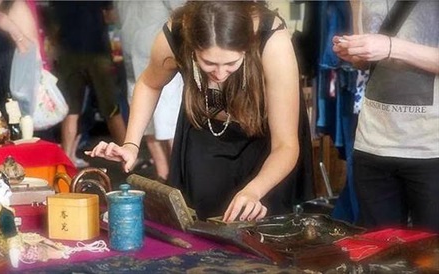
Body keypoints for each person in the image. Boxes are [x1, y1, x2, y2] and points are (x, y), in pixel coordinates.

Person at [88, 1, 307, 222]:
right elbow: (149, 83)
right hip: (205, 132)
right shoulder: (177, 33)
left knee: (262, 229)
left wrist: (254, 191)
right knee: (198, 223)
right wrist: (131, 145)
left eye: (231, 63)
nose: (220, 74)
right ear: (193, 48)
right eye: (209, 63)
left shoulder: (272, 41)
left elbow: (285, 145)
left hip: (267, 144)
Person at [332, 0, 439, 232]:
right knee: (381, 254)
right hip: (372, 142)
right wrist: (354, 52)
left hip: (431, 147)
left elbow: (387, 47)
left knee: (431, 254)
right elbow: (366, 62)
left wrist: (391, 46)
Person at [115, 0, 184, 182]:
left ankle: (175, 175)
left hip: (160, 53)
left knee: (167, 122)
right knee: (150, 122)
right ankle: (163, 174)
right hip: (135, 52)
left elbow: (185, 13)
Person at [52, 1, 127, 167]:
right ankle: (127, 154)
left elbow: (55, 21)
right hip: (97, 50)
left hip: (68, 52)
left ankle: (65, 160)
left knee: (71, 109)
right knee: (111, 107)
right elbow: (110, 16)